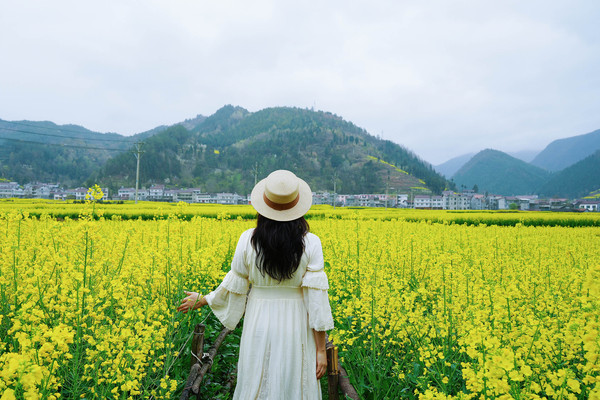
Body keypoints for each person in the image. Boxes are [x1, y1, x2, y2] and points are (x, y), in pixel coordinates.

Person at [177, 169, 334, 399]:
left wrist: (203, 300)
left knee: (257, 379)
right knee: (294, 379)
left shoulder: (248, 240)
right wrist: (321, 350)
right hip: (297, 322)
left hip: (259, 319)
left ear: (264, 206)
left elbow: (235, 283)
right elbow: (316, 301)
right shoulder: (311, 242)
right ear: (297, 206)